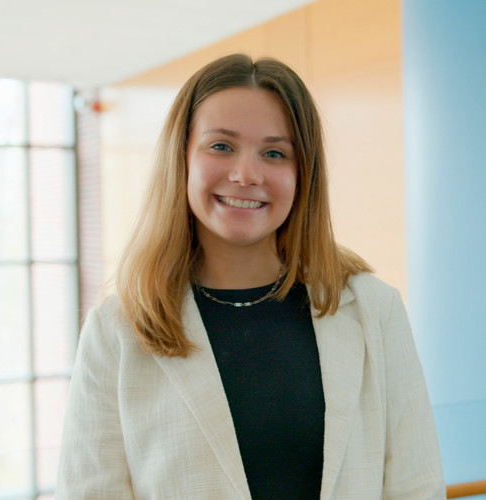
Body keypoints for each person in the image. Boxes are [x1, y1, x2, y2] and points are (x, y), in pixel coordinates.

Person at [56, 54, 446, 499]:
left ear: (304, 174)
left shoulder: (375, 308)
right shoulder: (116, 331)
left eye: (275, 153)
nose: (246, 174)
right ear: (181, 157)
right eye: (221, 146)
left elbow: (418, 485)